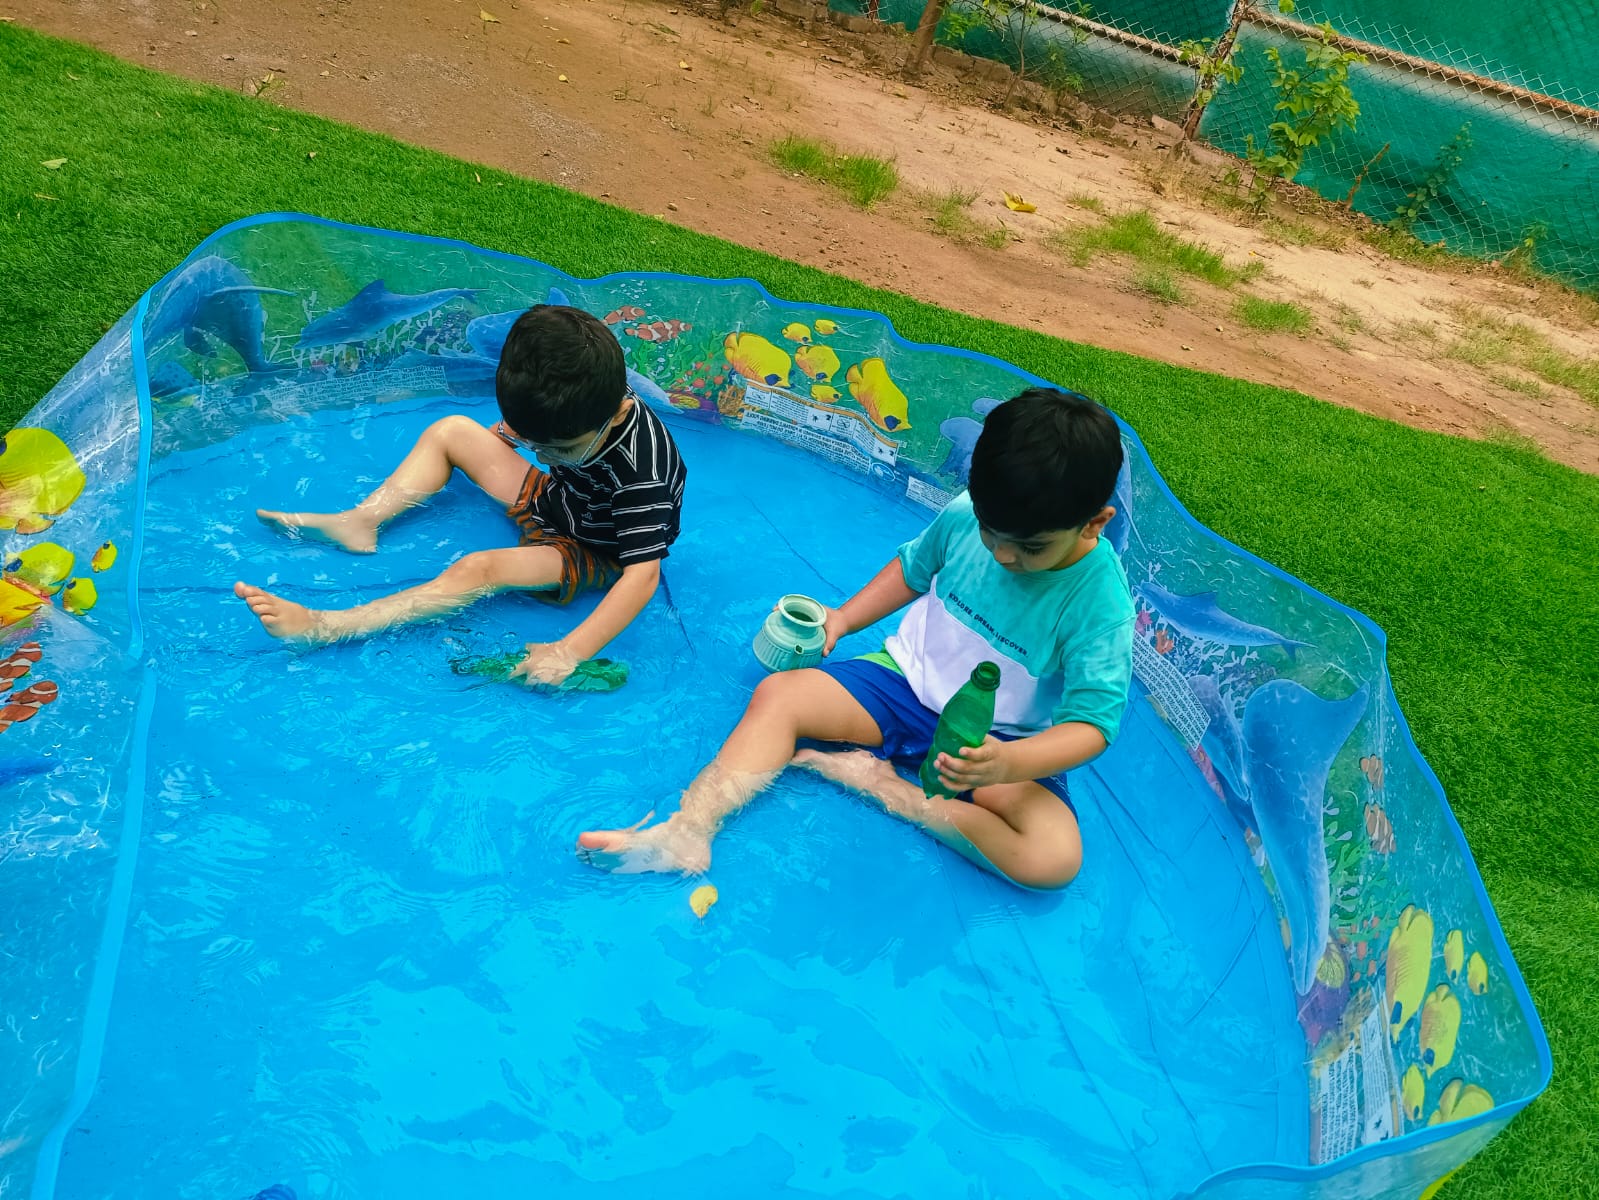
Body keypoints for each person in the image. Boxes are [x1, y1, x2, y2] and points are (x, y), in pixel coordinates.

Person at [578, 387, 1133, 888]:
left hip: (999, 740)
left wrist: (1008, 763)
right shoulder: (967, 516)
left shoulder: (1100, 604)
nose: (1004, 555)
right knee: (780, 697)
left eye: (1031, 547)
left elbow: (1091, 726)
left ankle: (886, 788)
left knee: (1052, 859)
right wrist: (842, 620)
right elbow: (913, 570)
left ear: (1094, 522)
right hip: (904, 685)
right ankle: (687, 831)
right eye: (992, 533)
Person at [234, 305, 687, 685]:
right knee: (451, 431)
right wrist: (510, 439)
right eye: (534, 444)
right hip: (559, 500)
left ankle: (327, 626)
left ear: (616, 412)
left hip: (596, 549)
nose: (544, 456)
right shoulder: (588, 392)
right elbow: (541, 430)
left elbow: (643, 576)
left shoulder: (640, 476)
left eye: (560, 449)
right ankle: (362, 520)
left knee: (478, 569)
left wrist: (568, 652)